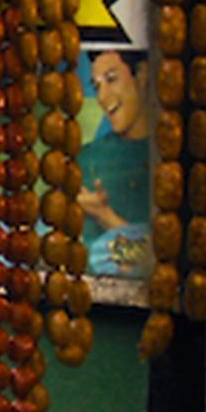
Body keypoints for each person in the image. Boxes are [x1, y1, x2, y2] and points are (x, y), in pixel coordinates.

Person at [77, 47, 155, 266]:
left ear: (142, 74)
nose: (103, 97)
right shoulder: (87, 159)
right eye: (97, 86)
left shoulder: (167, 158)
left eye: (112, 80)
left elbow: (154, 260)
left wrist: (104, 215)